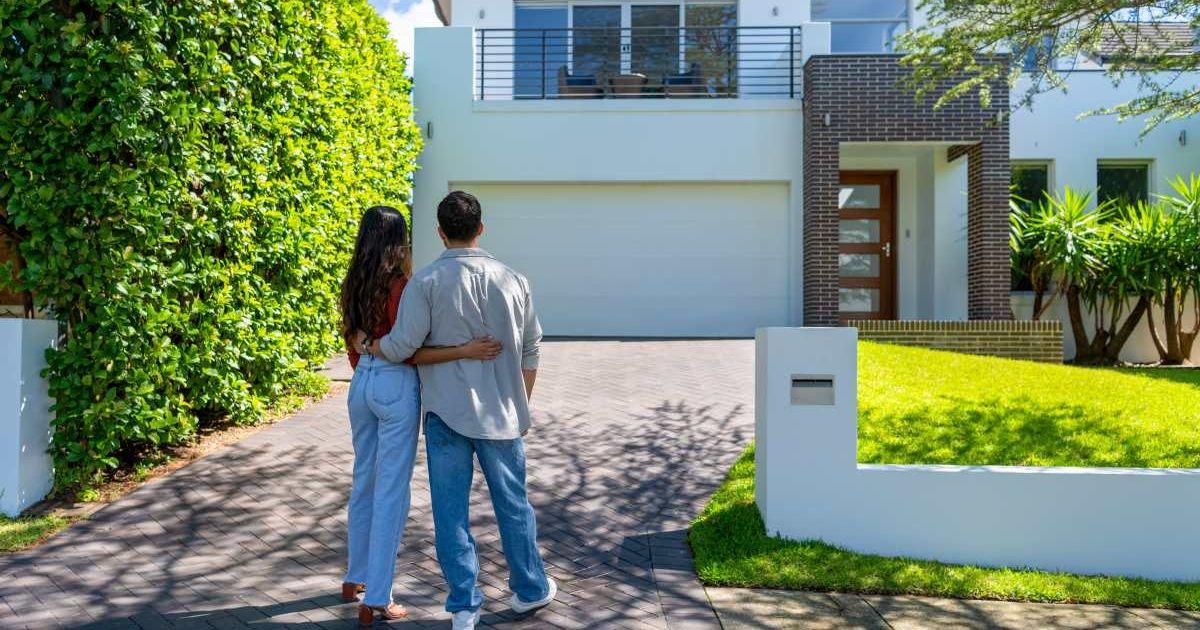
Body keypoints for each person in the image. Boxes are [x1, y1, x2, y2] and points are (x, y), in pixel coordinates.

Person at [361, 191, 556, 630]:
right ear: (481, 229)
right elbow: (531, 349)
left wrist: (369, 345)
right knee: (514, 506)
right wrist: (521, 402)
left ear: (440, 232)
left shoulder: (425, 284)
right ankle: (529, 589)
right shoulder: (514, 280)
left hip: (446, 415)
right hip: (502, 415)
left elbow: (400, 347)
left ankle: (464, 606)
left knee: (450, 514)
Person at [338, 205, 502, 627]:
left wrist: (367, 358)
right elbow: (408, 348)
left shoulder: (352, 281)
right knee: (393, 490)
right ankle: (377, 597)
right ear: (399, 239)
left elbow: (353, 341)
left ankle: (355, 576)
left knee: (364, 480)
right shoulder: (401, 286)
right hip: (395, 384)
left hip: (361, 386)